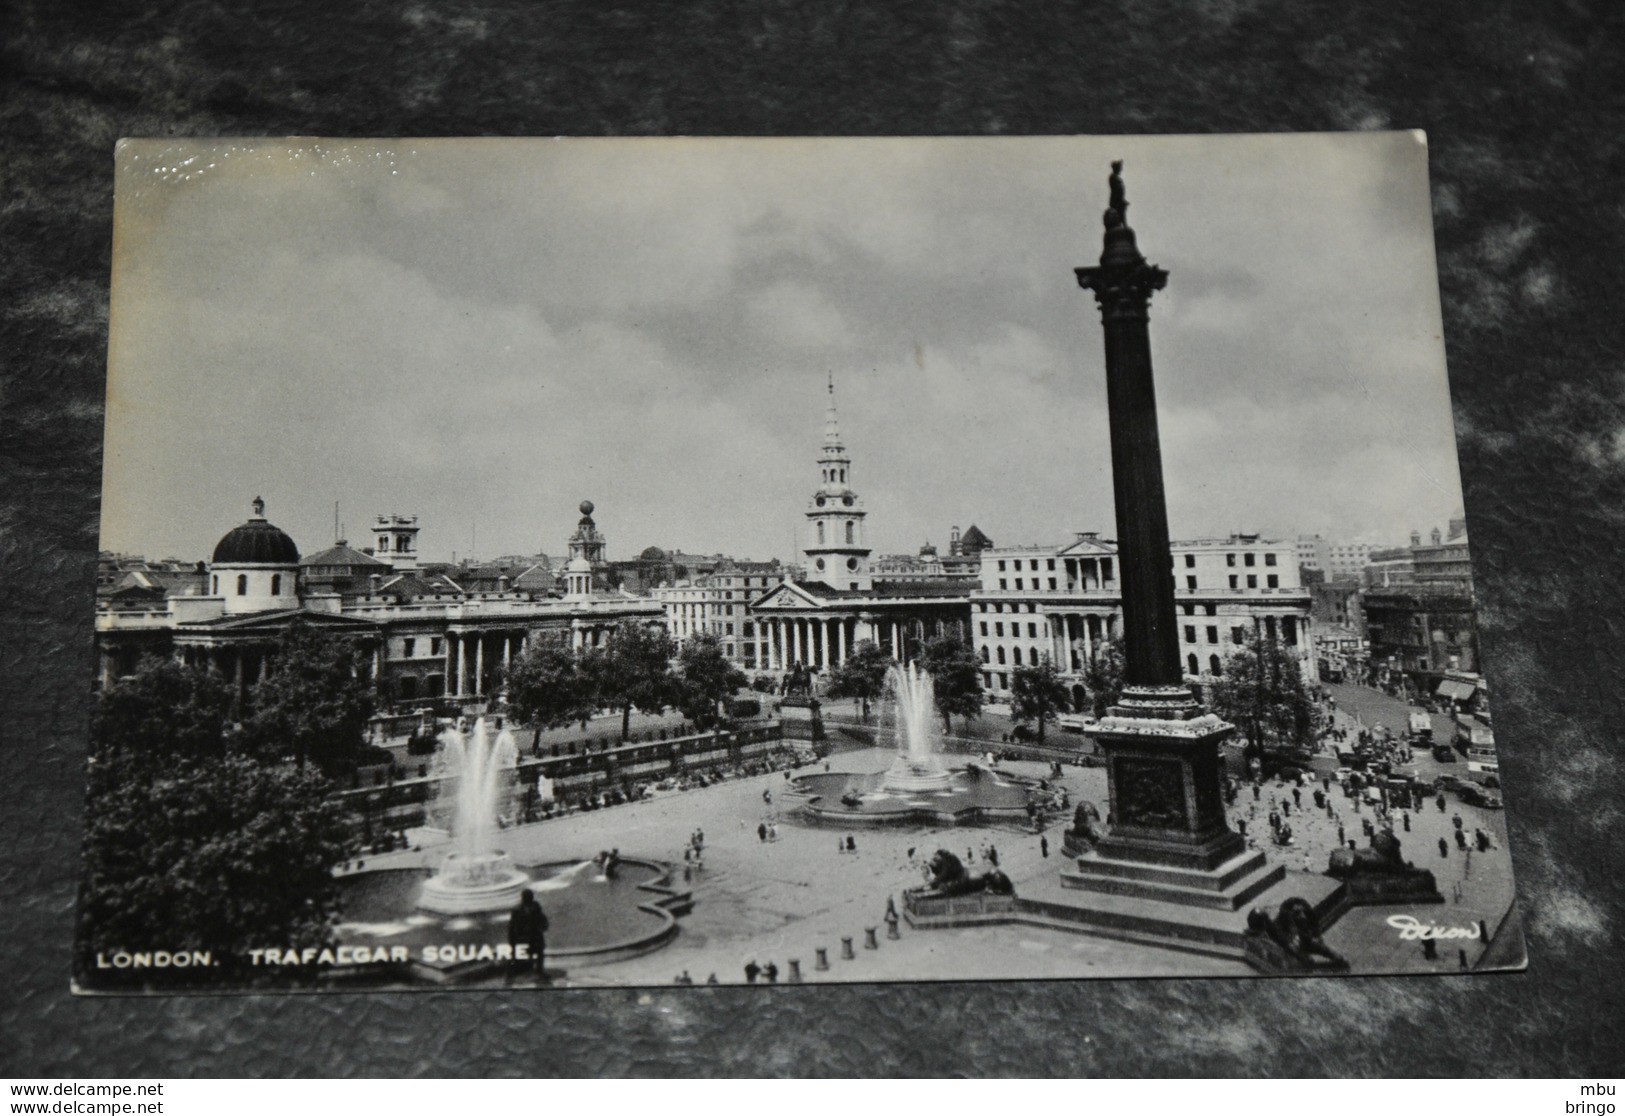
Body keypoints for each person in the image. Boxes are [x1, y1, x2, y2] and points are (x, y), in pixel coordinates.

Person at [508, 888, 550, 981]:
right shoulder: (517, 910)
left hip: (534, 935)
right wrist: (513, 939)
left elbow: (542, 919)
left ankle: (539, 970)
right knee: (522, 954)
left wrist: (543, 927)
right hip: (523, 936)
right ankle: (518, 970)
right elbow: (513, 925)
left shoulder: (535, 907)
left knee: (539, 952)